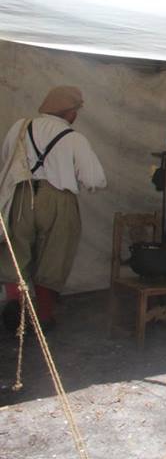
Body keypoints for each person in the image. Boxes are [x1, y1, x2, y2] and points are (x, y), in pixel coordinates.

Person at [0, 86, 106, 330]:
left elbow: (6, 157)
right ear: (70, 112)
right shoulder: (74, 138)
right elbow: (94, 180)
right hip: (58, 199)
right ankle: (44, 317)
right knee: (54, 257)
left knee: (16, 251)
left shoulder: (19, 127)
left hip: (22, 195)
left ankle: (16, 308)